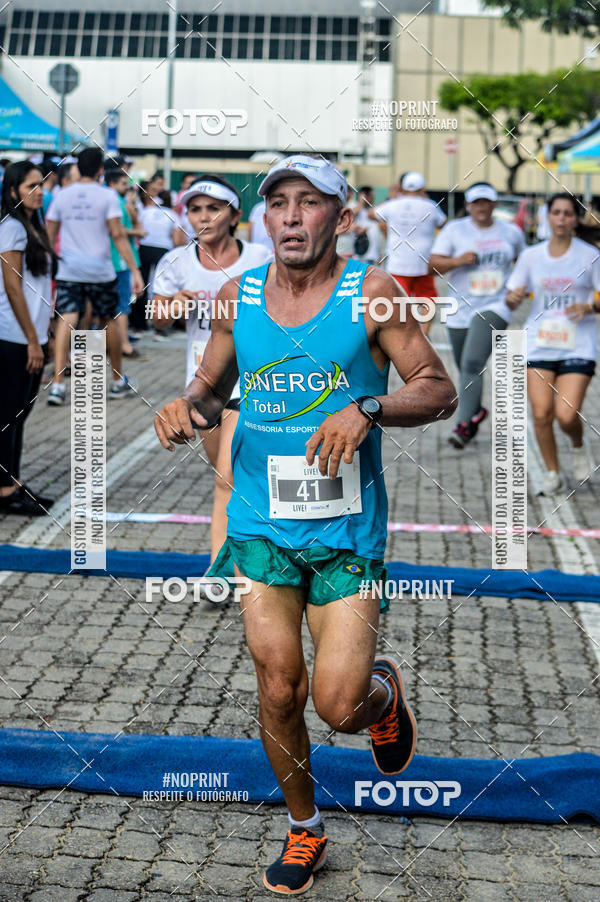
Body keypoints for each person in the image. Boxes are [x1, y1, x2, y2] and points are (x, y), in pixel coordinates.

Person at [154, 154, 456, 895]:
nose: (291, 215)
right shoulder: (238, 295)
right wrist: (183, 407)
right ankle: (304, 830)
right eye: (279, 203)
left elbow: (439, 389)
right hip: (259, 527)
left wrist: (369, 407)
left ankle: (380, 697)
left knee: (338, 704)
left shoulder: (372, 293)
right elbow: (208, 387)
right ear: (265, 220)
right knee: (279, 685)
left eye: (309, 203)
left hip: (347, 534)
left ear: (342, 219)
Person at [151, 175, 272, 573]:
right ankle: (255, 550)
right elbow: (157, 322)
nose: (203, 216)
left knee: (227, 481)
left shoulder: (260, 257)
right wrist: (172, 307)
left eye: (213, 208)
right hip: (203, 385)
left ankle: (222, 573)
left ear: (234, 215)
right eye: (195, 208)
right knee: (231, 482)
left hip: (250, 380)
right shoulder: (175, 261)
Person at [506, 193, 600, 494]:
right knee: (542, 413)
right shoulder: (531, 256)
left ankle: (577, 443)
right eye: (556, 213)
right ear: (548, 216)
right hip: (540, 340)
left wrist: (588, 307)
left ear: (576, 219)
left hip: (578, 342)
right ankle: (552, 472)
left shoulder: (590, 255)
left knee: (566, 414)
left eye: (568, 214)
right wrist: (513, 297)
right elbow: (511, 294)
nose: (562, 219)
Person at [45, 146, 144, 405]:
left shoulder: (62, 196)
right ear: (101, 170)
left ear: (78, 167)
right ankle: (116, 381)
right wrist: (135, 271)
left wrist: (48, 267)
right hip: (101, 270)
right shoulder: (108, 197)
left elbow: (49, 235)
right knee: (108, 320)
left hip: (70, 269)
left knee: (67, 318)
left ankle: (57, 385)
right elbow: (118, 235)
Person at [429, 182, 525, 448]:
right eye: (476, 202)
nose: (482, 207)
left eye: (487, 202)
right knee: (466, 367)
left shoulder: (511, 232)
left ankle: (463, 426)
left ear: (494, 204)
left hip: (497, 305)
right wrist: (458, 261)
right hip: (460, 308)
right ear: (469, 205)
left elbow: (524, 264)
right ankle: (477, 411)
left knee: (472, 363)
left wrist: (517, 291)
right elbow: (432, 263)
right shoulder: (454, 230)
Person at [0, 161, 58, 515]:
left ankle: (13, 482)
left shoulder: (31, 228)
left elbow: (39, 289)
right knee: (9, 413)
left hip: (30, 335)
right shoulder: (12, 229)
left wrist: (45, 332)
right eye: (30, 187)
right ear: (12, 192)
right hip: (13, 337)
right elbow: (13, 287)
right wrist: (33, 340)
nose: (39, 192)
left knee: (18, 414)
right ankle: (6, 490)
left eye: (41, 185)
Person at [370, 171, 446, 337]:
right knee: (428, 300)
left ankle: (402, 335)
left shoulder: (393, 204)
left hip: (398, 263)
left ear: (402, 187)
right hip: (423, 263)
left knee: (398, 302)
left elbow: (372, 213)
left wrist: (393, 199)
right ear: (423, 187)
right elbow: (443, 222)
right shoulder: (431, 206)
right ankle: (424, 334)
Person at [105, 168, 146, 359]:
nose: (127, 186)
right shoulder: (115, 203)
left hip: (114, 260)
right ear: (112, 183)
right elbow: (119, 230)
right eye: (123, 183)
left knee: (109, 307)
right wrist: (138, 233)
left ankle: (113, 344)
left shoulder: (121, 202)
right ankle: (124, 345)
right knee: (122, 305)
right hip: (119, 261)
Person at [137, 189, 186, 339]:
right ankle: (159, 328)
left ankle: (139, 325)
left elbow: (139, 229)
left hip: (145, 248)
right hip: (163, 250)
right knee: (161, 288)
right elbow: (177, 240)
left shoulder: (146, 211)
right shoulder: (173, 215)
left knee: (142, 286)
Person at [353, 186, 382, 265]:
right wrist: (361, 200)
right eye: (371, 196)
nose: (373, 198)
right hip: (361, 255)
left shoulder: (373, 211)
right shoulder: (357, 208)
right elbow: (353, 214)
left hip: (373, 255)